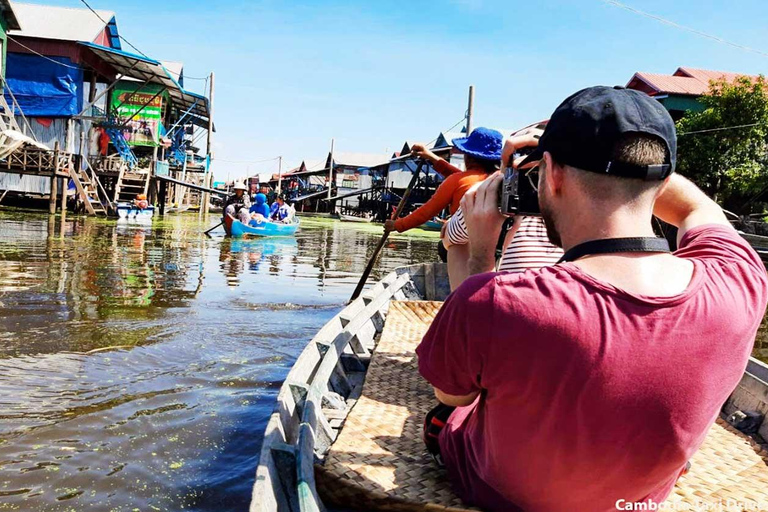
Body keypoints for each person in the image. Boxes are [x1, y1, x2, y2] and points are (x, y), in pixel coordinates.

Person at [416, 86, 768, 512]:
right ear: (661, 181)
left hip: (500, 494)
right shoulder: (739, 277)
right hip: (638, 499)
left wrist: (479, 256)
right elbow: (698, 209)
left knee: (444, 417)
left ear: (551, 173)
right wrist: (640, 172)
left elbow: (453, 396)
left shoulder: (493, 301)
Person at [383, 127, 503, 234]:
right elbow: (463, 178)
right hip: (495, 237)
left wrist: (398, 225)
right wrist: (430, 156)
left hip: (465, 241)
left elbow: (427, 212)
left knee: (443, 246)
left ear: (468, 156)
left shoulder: (457, 180)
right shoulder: (499, 178)